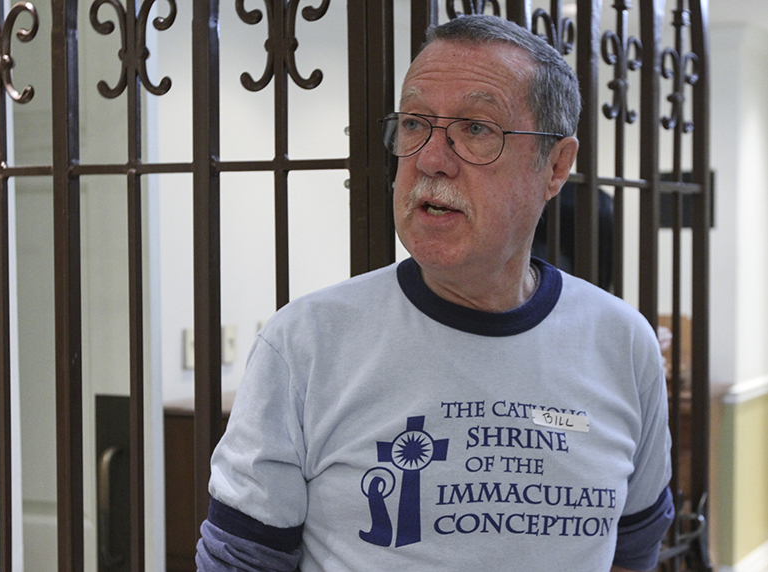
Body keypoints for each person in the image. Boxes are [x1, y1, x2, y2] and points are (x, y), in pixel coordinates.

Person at [196, 14, 673, 572]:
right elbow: (240, 560)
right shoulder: (306, 344)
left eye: (476, 129)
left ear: (556, 165)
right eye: (415, 123)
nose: (429, 158)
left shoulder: (622, 344)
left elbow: (634, 546)